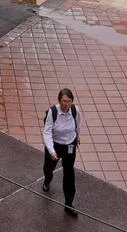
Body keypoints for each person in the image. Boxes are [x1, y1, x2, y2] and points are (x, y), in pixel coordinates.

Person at [42, 87, 82, 216]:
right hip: (55, 145)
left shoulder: (75, 111)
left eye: (69, 101)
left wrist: (77, 137)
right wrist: (51, 150)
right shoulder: (53, 112)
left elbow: (78, 125)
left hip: (69, 145)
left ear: (72, 101)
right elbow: (47, 132)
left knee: (69, 173)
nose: (66, 104)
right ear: (59, 101)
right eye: (64, 101)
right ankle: (47, 179)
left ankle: (69, 203)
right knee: (49, 167)